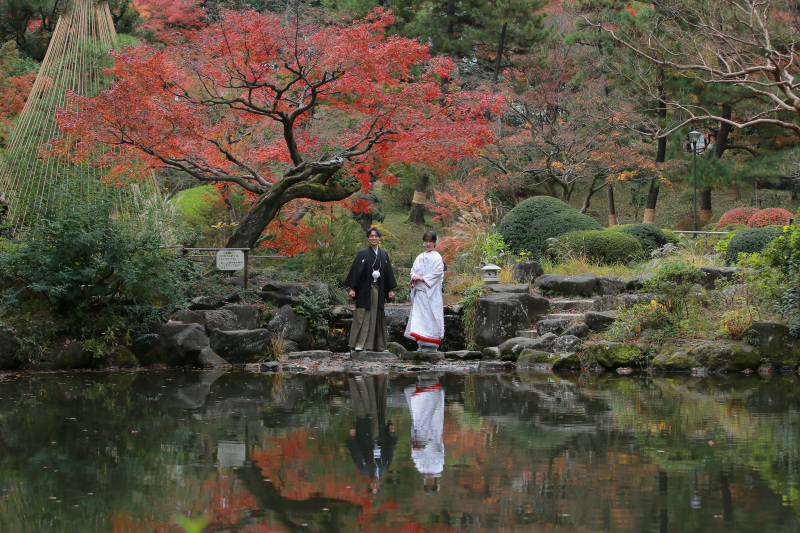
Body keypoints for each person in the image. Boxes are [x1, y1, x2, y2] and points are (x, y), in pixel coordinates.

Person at [345, 227, 397, 352]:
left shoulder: (383, 254)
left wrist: (390, 289)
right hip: (364, 289)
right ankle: (359, 344)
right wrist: (352, 288)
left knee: (377, 315)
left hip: (379, 289)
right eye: (371, 236)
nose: (374, 238)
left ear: (379, 238)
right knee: (363, 315)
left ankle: (378, 346)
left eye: (376, 236)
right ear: (368, 237)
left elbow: (388, 272)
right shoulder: (362, 253)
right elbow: (356, 271)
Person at [347, 374, 397, 494]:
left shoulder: (364, 469)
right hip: (379, 436)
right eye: (377, 486)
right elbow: (390, 450)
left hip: (365, 436)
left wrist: (353, 437)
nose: (375, 484)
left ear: (369, 484)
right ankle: (374, 378)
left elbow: (356, 453)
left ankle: (356, 379)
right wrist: (391, 434)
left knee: (363, 408)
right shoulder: (384, 468)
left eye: (372, 486)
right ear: (380, 484)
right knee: (376, 406)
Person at [404, 231, 445, 351]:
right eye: (426, 241)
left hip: (431, 293)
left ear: (434, 243)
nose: (428, 244)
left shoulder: (437, 257)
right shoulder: (419, 257)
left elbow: (438, 273)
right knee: (420, 317)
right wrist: (415, 277)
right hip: (420, 293)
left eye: (430, 241)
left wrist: (422, 278)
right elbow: (413, 270)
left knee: (431, 316)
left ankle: (431, 342)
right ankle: (421, 342)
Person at [405, 377, 444, 492]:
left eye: (428, 484)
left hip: (421, 437)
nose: (430, 482)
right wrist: (424, 448)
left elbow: (415, 455)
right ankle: (430, 389)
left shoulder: (420, 468)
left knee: (420, 417)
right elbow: (437, 451)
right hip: (432, 437)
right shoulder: (438, 467)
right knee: (432, 414)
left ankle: (422, 389)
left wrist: (419, 448)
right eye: (431, 484)